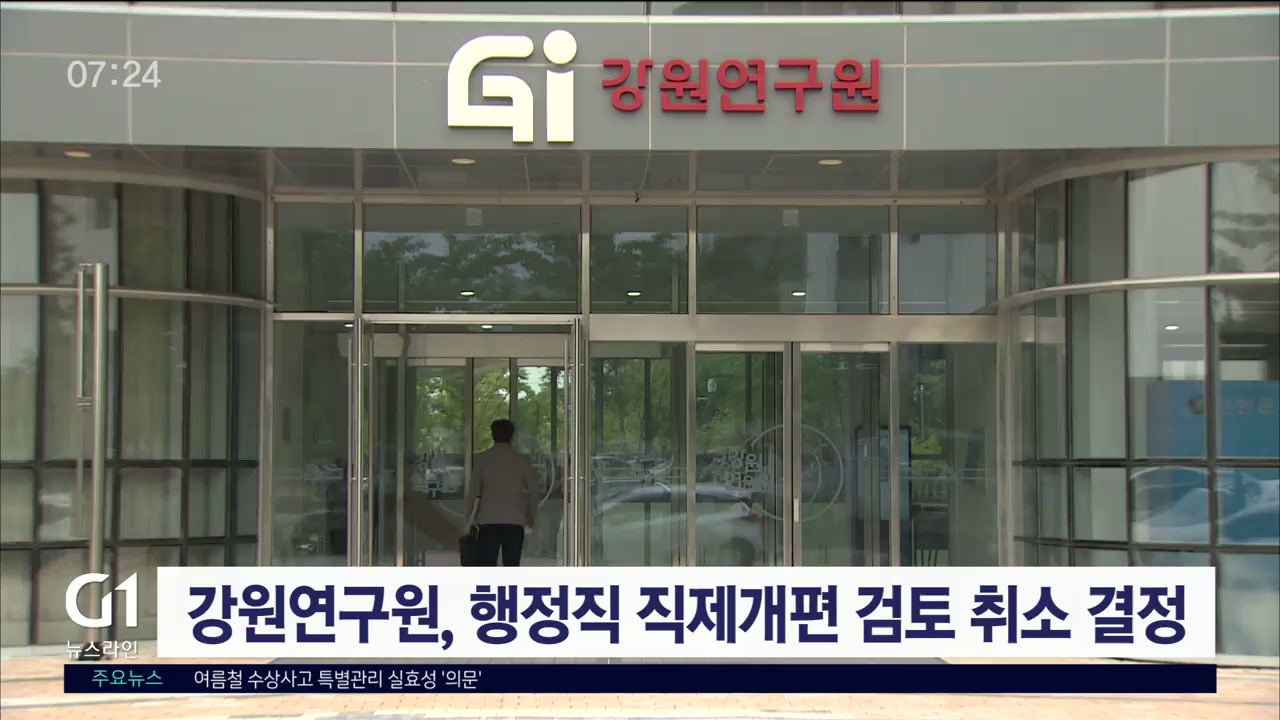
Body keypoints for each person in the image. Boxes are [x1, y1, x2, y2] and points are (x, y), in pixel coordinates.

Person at [464, 419, 538, 567]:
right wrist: (530, 516)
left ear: (492, 434)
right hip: (515, 519)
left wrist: (468, 519)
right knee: (512, 564)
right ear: (512, 436)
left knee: (487, 565)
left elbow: (473, 492)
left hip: (487, 520)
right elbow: (533, 490)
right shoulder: (522, 460)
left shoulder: (482, 459)